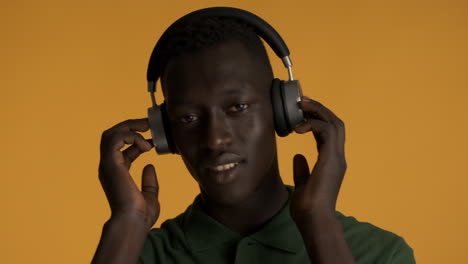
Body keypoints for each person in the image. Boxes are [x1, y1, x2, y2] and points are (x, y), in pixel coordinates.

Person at [92, 11, 415, 264]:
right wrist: (126, 223)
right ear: (166, 133)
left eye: (238, 107)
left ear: (283, 109)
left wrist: (320, 224)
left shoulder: (380, 254)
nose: (215, 140)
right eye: (188, 118)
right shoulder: (135, 254)